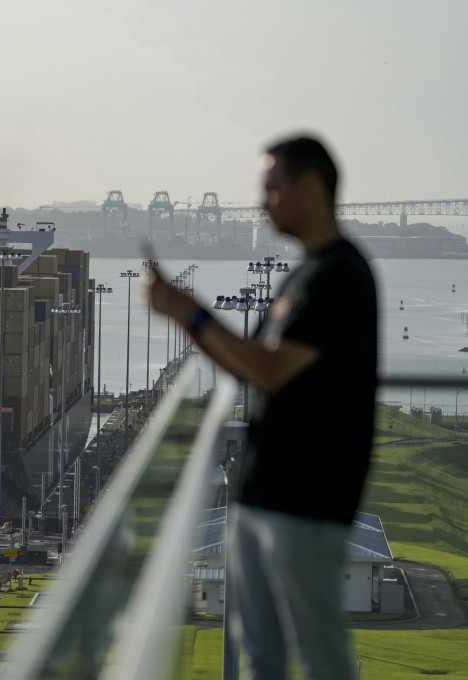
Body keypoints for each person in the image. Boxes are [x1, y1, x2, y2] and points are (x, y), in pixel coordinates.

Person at [147, 135, 378, 680]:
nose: (262, 203)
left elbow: (270, 367)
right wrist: (185, 318)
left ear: (311, 187)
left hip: (308, 500)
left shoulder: (340, 277)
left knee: (321, 656)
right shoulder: (301, 276)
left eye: (272, 189)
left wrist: (192, 312)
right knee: (259, 656)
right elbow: (249, 365)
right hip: (261, 495)